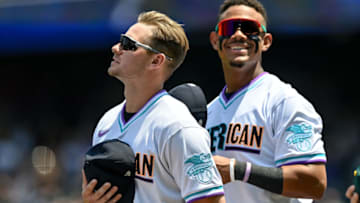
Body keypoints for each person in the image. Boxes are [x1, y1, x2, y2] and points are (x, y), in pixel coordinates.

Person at [81, 10, 226, 203]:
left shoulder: (179, 128)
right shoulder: (107, 121)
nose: (116, 48)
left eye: (128, 44)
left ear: (156, 60)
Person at [206, 0, 327, 202]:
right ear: (214, 39)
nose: (238, 34)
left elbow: (315, 182)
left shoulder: (284, 102)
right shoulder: (208, 114)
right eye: (228, 27)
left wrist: (238, 170)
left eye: (249, 28)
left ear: (266, 41)